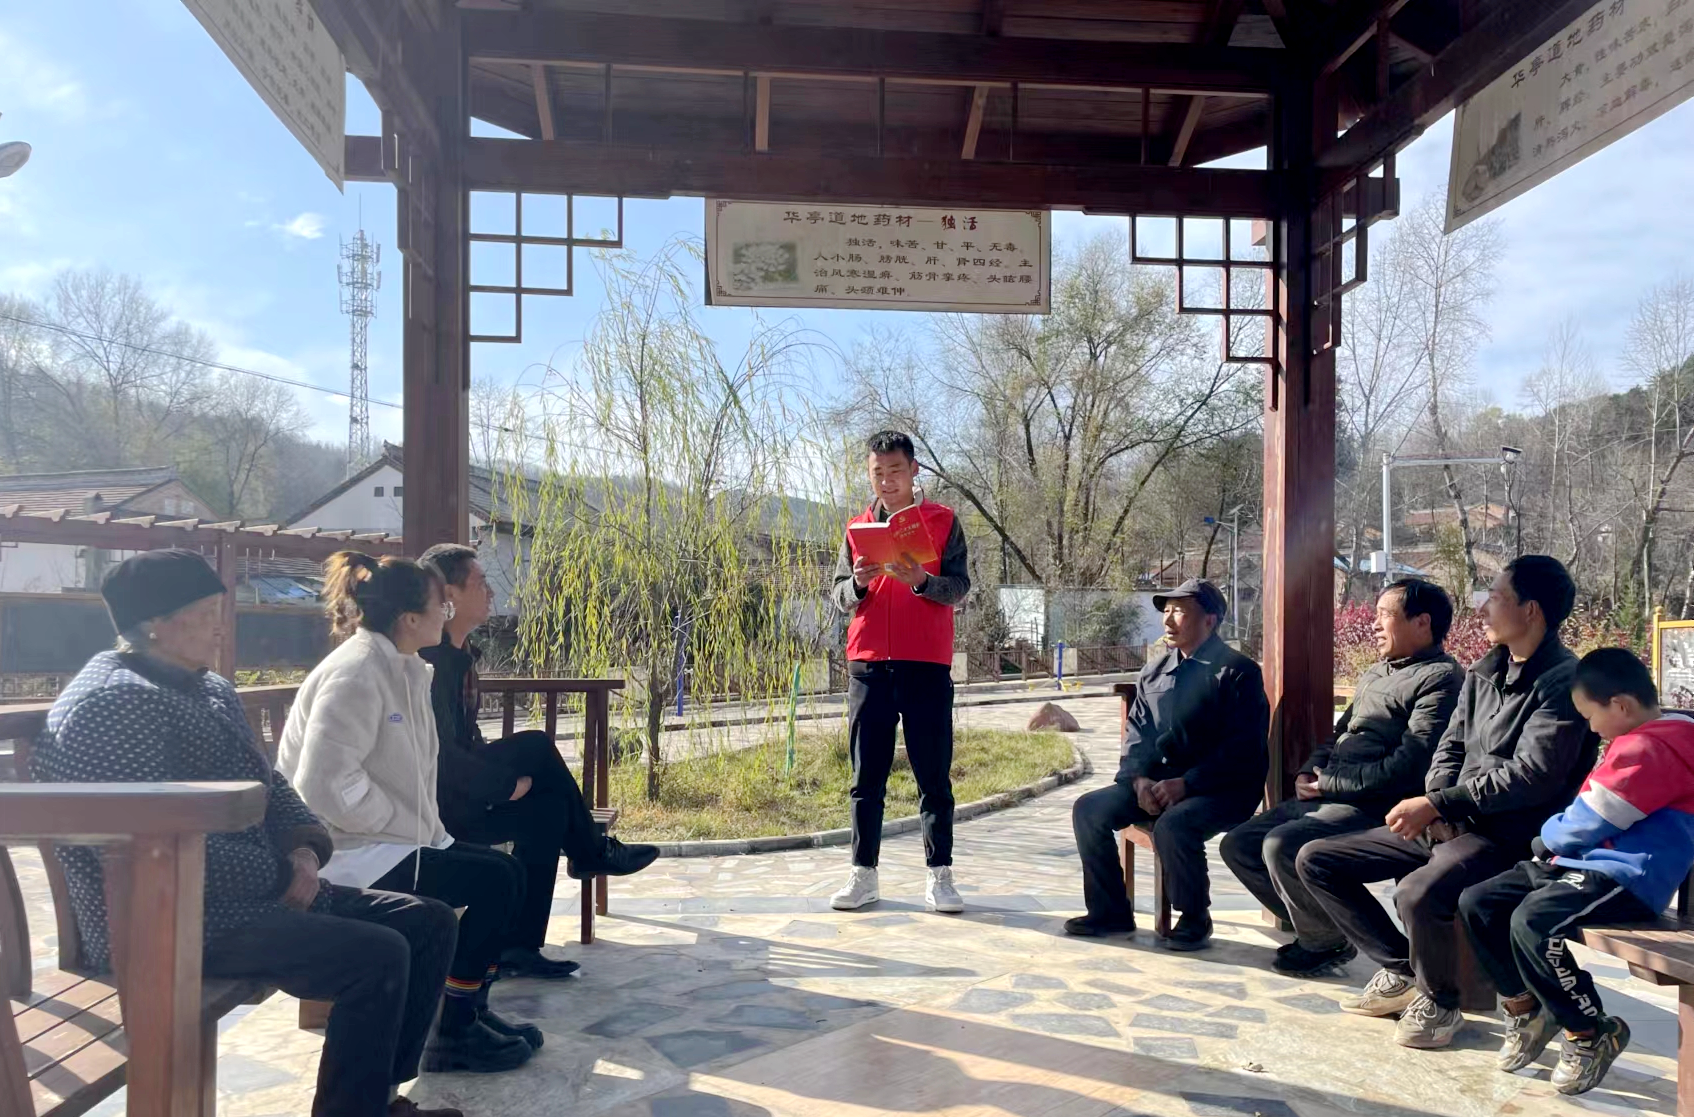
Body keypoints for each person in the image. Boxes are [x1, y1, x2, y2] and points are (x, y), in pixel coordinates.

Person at [32, 549, 463, 1117]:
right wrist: (281, 876)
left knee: (425, 921)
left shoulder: (206, 687)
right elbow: (149, 846)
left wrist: (304, 849)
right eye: (207, 613)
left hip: (240, 898)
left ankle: (377, 1101)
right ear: (155, 622)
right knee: (376, 953)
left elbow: (270, 784)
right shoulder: (114, 703)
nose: (222, 626)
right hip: (163, 919)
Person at [1296, 555, 1598, 1049]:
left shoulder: (1564, 682)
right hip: (1454, 821)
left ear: (1531, 610)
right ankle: (1405, 970)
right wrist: (1437, 802)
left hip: (1508, 834)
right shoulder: (1484, 672)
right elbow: (1450, 746)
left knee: (1416, 892)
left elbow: (1533, 777)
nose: (1482, 608)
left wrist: (1442, 805)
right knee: (1317, 859)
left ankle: (1440, 1001)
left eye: (1495, 597)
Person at [277, 551, 544, 1075]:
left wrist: (414, 825)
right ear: (410, 619)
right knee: (493, 882)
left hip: (392, 840)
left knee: (506, 873)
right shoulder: (357, 673)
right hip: (347, 852)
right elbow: (323, 784)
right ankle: (453, 1029)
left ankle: (465, 1012)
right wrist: (395, 820)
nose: (446, 613)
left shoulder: (405, 667)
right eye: (440, 605)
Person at [417, 543, 659, 979]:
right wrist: (505, 787)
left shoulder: (460, 656)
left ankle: (519, 946)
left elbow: (463, 742)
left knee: (547, 812)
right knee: (535, 746)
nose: (491, 591)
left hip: (464, 794)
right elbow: (441, 755)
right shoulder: (433, 663)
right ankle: (590, 851)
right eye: (480, 582)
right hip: (441, 808)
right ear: (449, 593)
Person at [1459, 648, 1694, 1096]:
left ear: (1620, 705)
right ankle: (1527, 1008)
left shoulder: (1652, 747)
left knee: (1532, 921)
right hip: (1582, 864)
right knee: (1479, 902)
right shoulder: (1643, 739)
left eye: (1590, 716)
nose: (1590, 727)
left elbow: (1589, 821)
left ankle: (1588, 1030)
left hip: (1625, 876)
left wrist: (1546, 836)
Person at [1221, 579, 1463, 976]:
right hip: (1330, 794)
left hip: (1377, 806)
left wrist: (1329, 784)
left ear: (1422, 623)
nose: (1374, 624)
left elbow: (1410, 765)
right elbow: (1340, 733)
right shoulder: (1376, 672)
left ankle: (1324, 940)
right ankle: (1327, 930)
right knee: (1239, 844)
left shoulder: (1441, 678)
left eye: (1385, 615)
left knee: (1281, 844)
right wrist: (1309, 768)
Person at [1067, 579, 1269, 951]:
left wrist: (1188, 783)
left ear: (1210, 620)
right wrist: (1138, 780)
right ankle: (1109, 911)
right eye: (1166, 611)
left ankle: (1194, 916)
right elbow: (1138, 734)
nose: (1168, 620)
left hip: (1223, 788)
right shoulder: (1154, 672)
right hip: (1159, 783)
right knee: (1089, 809)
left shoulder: (1238, 672)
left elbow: (1243, 749)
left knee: (1175, 823)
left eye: (1180, 611)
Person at [828, 429, 971, 913]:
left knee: (934, 776)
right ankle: (863, 874)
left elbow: (959, 587)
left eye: (895, 470)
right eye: (878, 472)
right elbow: (837, 595)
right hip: (868, 664)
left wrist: (923, 582)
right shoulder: (857, 527)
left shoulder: (943, 521)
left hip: (926, 662)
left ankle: (940, 876)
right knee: (866, 776)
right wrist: (857, 584)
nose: (886, 481)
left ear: (914, 470)